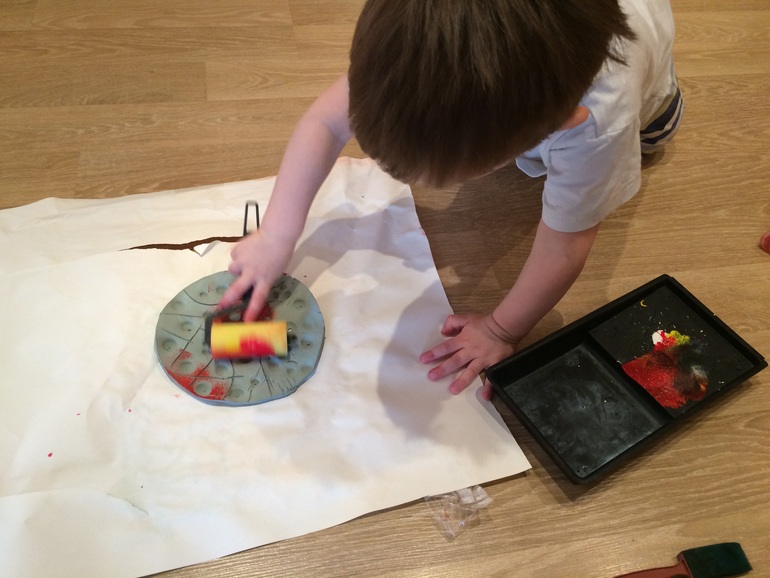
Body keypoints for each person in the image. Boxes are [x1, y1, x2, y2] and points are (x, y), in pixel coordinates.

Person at [220, 0, 684, 400]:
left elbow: (565, 245)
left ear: (556, 124)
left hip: (648, 103)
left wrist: (501, 329)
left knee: (652, 135)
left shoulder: (599, 126)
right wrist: (276, 233)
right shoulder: (412, 50)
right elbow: (325, 122)